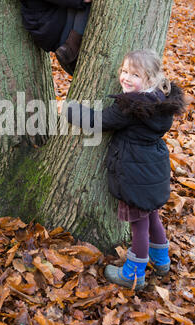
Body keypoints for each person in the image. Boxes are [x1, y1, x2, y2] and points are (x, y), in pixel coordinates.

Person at [66, 49, 185, 289]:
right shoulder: (159, 102)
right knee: (152, 216)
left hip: (134, 176)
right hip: (152, 170)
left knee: (139, 225)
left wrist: (70, 110)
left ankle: (133, 274)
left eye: (135, 74)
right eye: (124, 71)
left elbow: (97, 121)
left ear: (150, 79)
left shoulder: (132, 107)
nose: (126, 78)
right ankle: (162, 262)